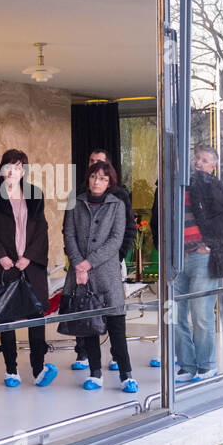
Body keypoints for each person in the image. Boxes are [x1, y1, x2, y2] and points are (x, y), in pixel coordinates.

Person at [0, 150, 58, 388]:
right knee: (7, 317)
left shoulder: (34, 193)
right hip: (5, 263)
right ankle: (11, 370)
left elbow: (41, 228)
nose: (13, 171)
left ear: (24, 171)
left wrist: (29, 257)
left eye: (19, 167)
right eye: (9, 166)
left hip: (30, 264)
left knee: (36, 315)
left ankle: (39, 369)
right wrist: (1, 256)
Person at [63, 161, 137, 393]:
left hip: (107, 274)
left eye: (103, 178)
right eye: (95, 176)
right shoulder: (76, 202)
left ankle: (126, 375)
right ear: (89, 178)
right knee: (89, 326)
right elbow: (69, 234)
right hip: (80, 274)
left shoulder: (116, 204)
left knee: (116, 324)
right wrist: (78, 265)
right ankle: (95, 373)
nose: (98, 181)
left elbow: (116, 239)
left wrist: (88, 263)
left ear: (109, 182)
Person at [174, 145, 223, 381]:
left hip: (202, 258)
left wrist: (211, 245)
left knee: (201, 314)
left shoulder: (215, 186)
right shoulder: (174, 185)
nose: (199, 163)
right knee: (174, 315)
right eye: (197, 159)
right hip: (176, 259)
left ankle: (207, 365)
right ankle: (186, 366)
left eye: (205, 160)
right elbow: (157, 218)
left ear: (213, 167)